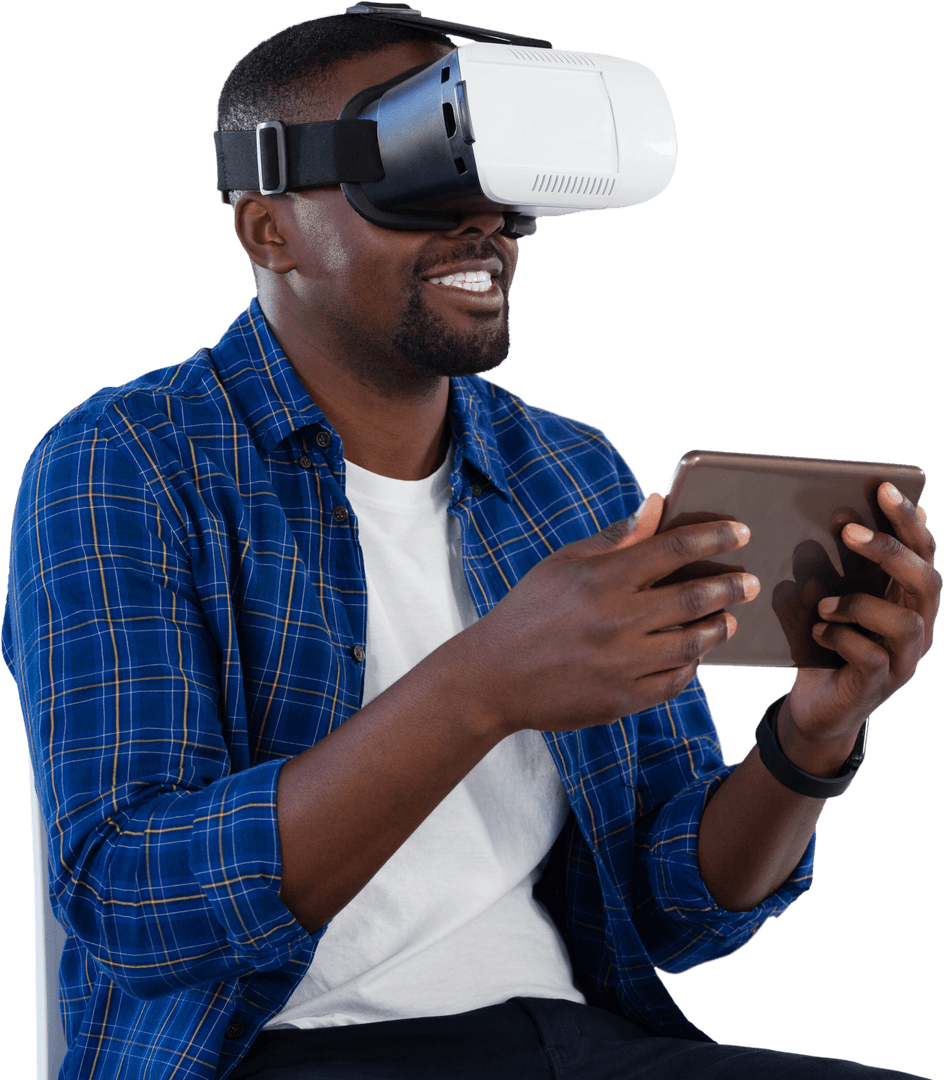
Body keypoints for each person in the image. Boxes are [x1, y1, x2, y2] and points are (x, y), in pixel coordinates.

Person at [3, 13, 939, 1080]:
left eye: (499, 192)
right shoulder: (126, 462)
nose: (483, 227)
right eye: (417, 180)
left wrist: (811, 738)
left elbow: (667, 910)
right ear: (268, 230)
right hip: (275, 1057)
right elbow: (129, 901)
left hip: (579, 1040)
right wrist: (480, 687)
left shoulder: (565, 474)